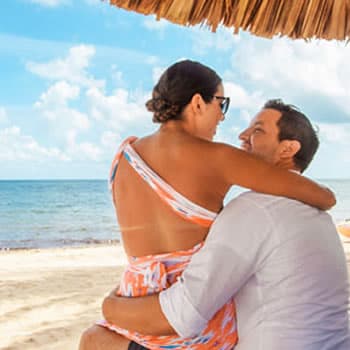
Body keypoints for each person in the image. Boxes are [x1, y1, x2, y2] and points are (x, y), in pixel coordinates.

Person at [79, 60, 335, 350]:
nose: (222, 118)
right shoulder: (217, 158)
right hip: (188, 319)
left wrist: (111, 305)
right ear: (198, 103)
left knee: (93, 340)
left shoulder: (124, 155)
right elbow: (321, 196)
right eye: (221, 104)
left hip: (133, 301)